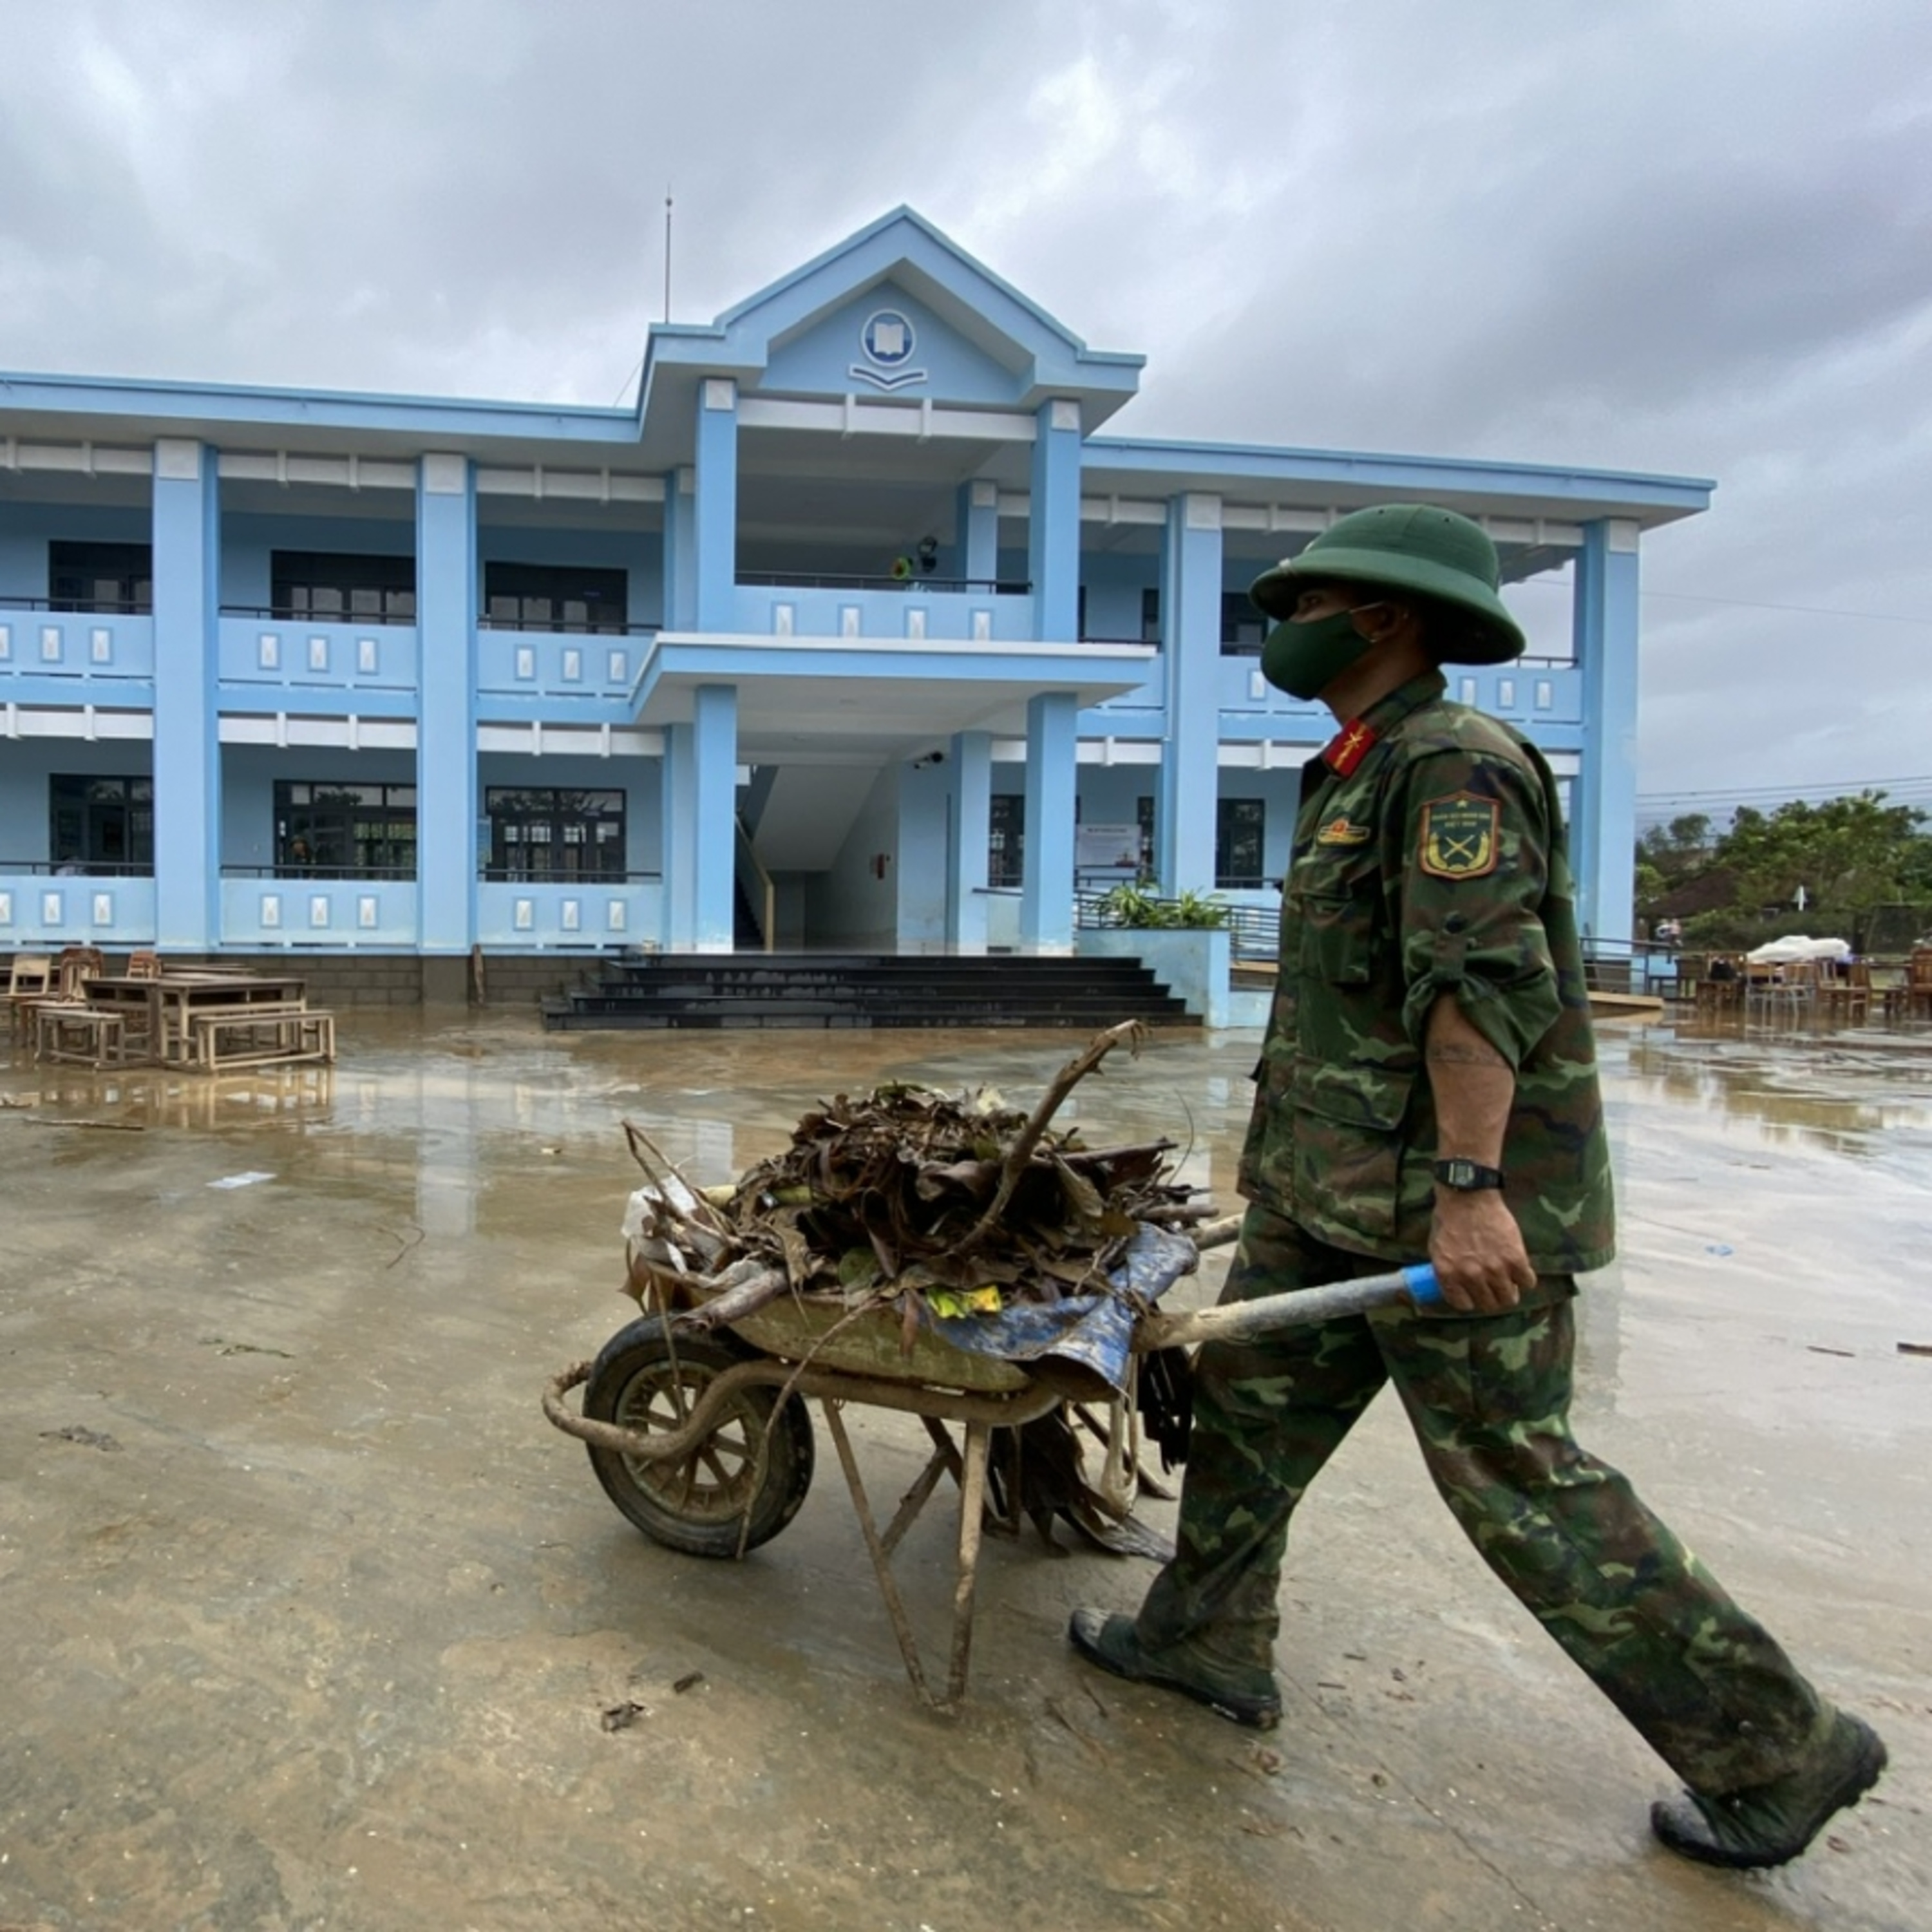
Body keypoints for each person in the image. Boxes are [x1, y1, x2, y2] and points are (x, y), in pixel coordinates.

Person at [1068, 504, 1886, 1869]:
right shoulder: (1363, 762)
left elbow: (1476, 989)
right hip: (1327, 1203)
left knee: (1517, 1476)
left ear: (1381, 615)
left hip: (1442, 1211)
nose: (1281, 629)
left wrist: (1471, 1187)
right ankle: (1206, 1638)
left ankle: (1779, 1746)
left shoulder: (1453, 769)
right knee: (1245, 1416)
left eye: (1300, 603)